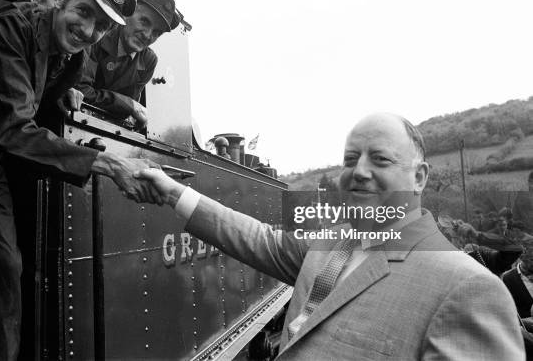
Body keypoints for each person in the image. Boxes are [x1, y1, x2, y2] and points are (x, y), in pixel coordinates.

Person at [135, 113, 524, 360]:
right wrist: (172, 192)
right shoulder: (333, 240)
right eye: (350, 160)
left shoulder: (470, 289)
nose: (359, 172)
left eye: (381, 159)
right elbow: (258, 239)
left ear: (420, 177)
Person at [0, 0, 161, 360]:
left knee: (9, 271)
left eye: (100, 27)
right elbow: (13, 130)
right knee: (0, 269)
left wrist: (61, 96)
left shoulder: (75, 59)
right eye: (84, 13)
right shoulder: (13, 27)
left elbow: (37, 102)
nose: (88, 31)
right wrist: (112, 165)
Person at [75, 0, 180, 128]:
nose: (148, 35)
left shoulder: (148, 60)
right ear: (127, 14)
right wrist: (128, 105)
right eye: (144, 21)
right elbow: (80, 90)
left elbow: (128, 115)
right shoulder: (98, 35)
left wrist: (128, 107)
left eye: (157, 32)